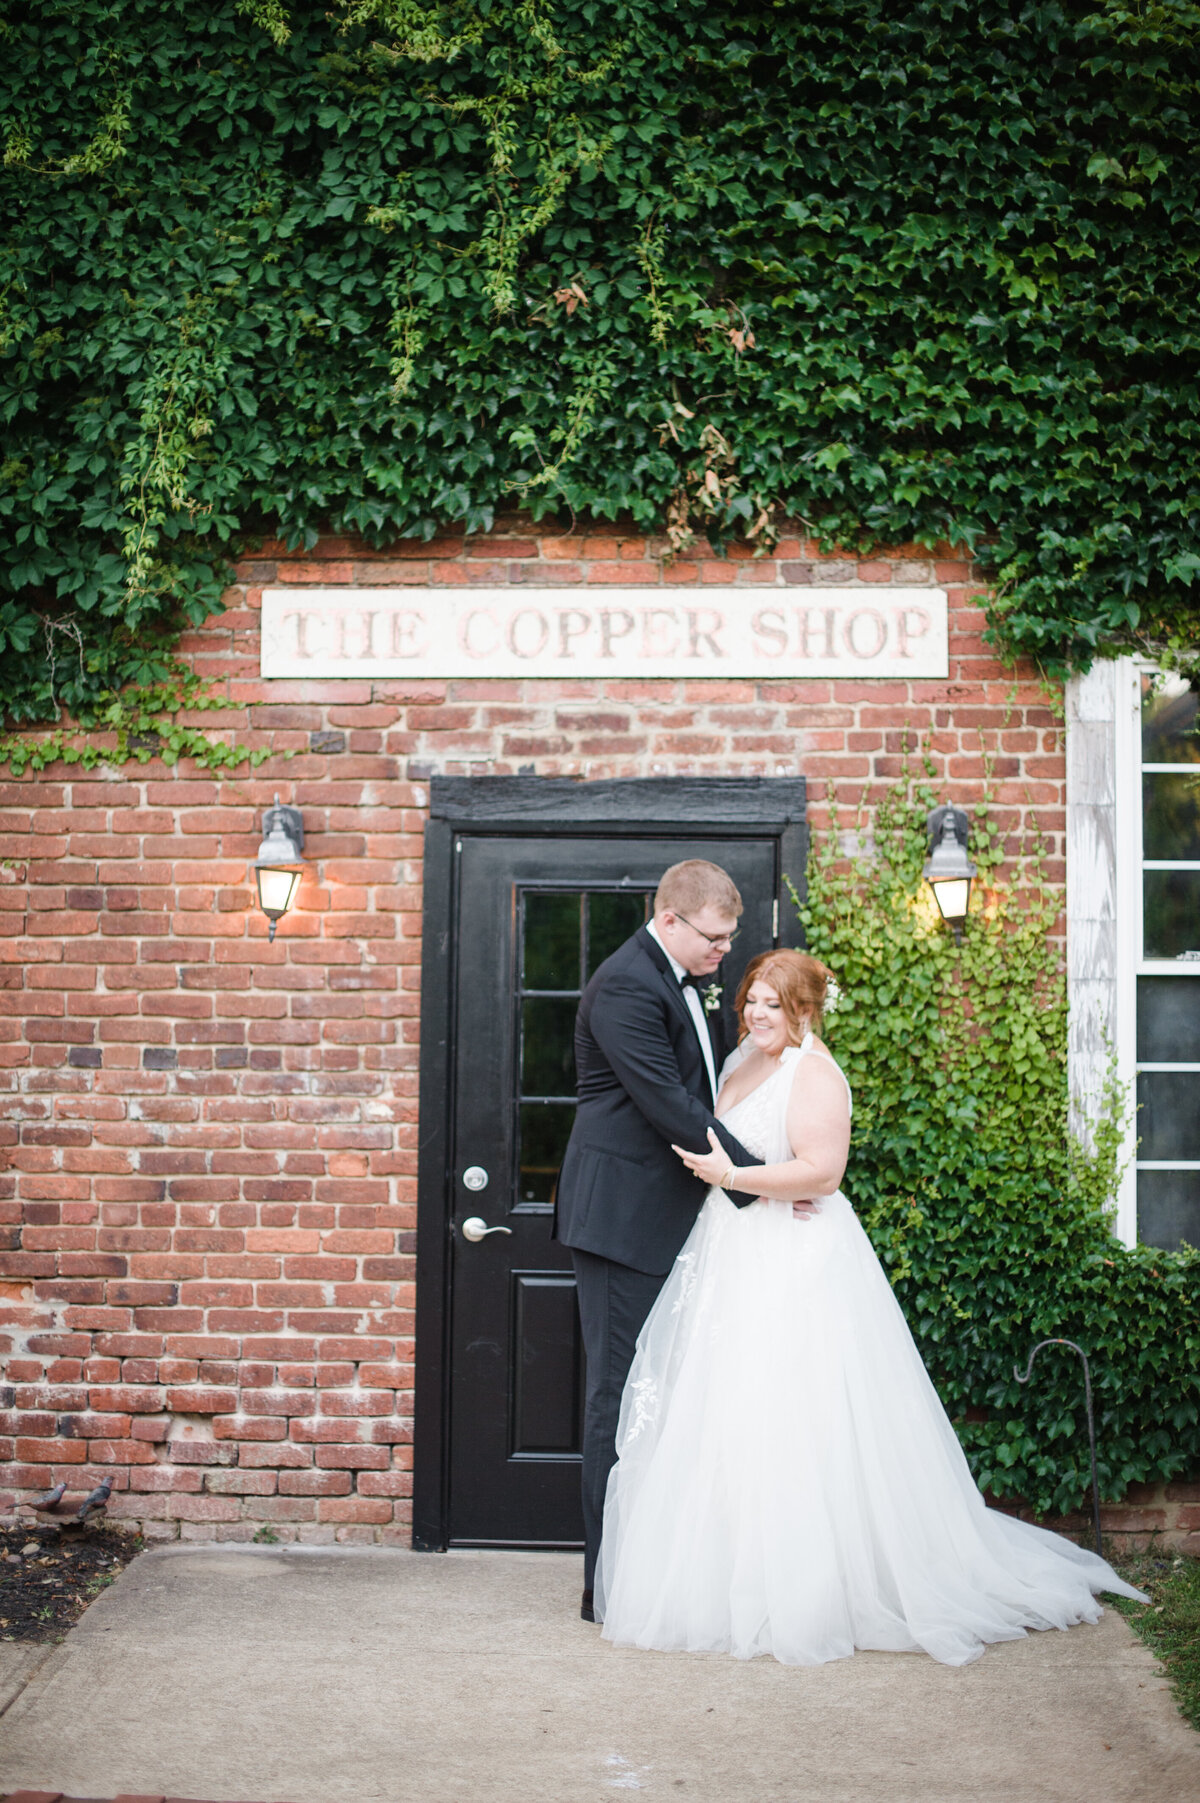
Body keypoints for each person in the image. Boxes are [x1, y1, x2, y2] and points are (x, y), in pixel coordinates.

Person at [594, 949, 1146, 1666]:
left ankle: (811, 1589)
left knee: (796, 1413)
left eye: (773, 1003)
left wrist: (737, 1176)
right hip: (729, 1251)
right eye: (752, 1001)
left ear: (806, 1008)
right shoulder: (738, 1062)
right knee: (724, 1409)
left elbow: (822, 1171)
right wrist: (735, 1182)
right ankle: (725, 1575)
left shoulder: (815, 1073)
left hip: (792, 1262)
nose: (758, 1013)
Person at [556, 860, 761, 1623]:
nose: (724, 953)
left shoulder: (681, 973)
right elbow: (671, 1106)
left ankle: (655, 1566)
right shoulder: (626, 985)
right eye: (713, 938)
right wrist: (765, 1179)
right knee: (617, 1397)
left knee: (667, 1394)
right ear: (669, 920)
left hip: (672, 1217)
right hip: (621, 1222)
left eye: (730, 937)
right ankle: (604, 1587)